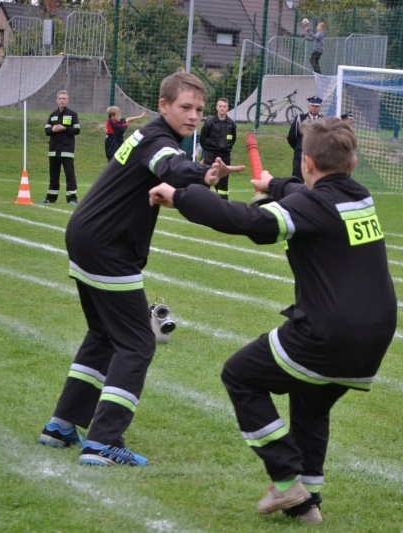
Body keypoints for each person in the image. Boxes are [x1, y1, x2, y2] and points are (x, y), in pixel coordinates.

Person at [148, 117, 397, 524]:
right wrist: (276, 186)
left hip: (329, 332)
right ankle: (306, 503)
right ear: (351, 165)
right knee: (312, 403)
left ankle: (285, 481)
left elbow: (251, 222)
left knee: (240, 375)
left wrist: (182, 196)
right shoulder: (359, 196)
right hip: (374, 336)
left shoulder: (313, 204)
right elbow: (308, 194)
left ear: (309, 163)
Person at [36, 71, 245, 467]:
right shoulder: (158, 141)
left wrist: (194, 175)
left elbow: (163, 173)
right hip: (107, 246)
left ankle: (62, 424)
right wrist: (204, 173)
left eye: (199, 109)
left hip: (86, 234)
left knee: (102, 334)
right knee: (137, 342)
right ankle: (103, 442)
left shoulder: (149, 136)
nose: (193, 116)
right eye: (185, 107)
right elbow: (170, 166)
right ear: (163, 105)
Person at [40, 90, 81, 204]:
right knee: (53, 175)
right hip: (54, 150)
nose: (62, 100)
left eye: (64, 98)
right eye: (60, 98)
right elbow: (47, 130)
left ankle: (72, 198)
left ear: (68, 101)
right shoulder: (53, 115)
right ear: (57, 100)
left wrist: (64, 128)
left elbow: (77, 130)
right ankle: (50, 198)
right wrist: (52, 129)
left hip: (67, 150)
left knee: (70, 174)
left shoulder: (73, 114)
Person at [199, 97, 237, 200]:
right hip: (210, 155)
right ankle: (203, 203)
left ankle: (223, 204)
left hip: (225, 157)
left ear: (228, 108)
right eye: (220, 106)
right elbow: (203, 138)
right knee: (206, 179)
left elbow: (233, 140)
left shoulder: (231, 124)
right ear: (217, 107)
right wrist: (209, 150)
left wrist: (225, 148)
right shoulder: (209, 122)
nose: (222, 108)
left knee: (223, 184)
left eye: (224, 106)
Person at [287, 95, 323, 179]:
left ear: (320, 107)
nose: (314, 108)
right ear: (308, 106)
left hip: (318, 155)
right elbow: (292, 138)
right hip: (301, 155)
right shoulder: (300, 119)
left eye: (317, 106)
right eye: (312, 106)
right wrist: (299, 148)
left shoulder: (323, 120)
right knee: (298, 178)